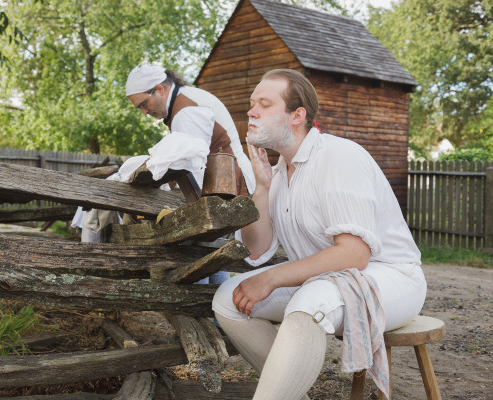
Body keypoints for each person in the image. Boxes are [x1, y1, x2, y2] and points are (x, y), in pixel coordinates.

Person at [212, 69, 427, 400]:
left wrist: (271, 279)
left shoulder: (339, 156)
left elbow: (354, 254)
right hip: (322, 280)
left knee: (308, 300)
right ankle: (292, 391)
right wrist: (263, 187)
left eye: (264, 104)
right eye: (251, 103)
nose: (251, 111)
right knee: (229, 298)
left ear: (297, 116)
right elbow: (256, 251)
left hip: (390, 278)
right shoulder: (280, 174)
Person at [126, 62, 257, 284]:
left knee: (196, 250)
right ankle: (214, 309)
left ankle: (209, 311)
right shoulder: (185, 101)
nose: (145, 111)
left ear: (159, 89)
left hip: (228, 188)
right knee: (209, 251)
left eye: (143, 104)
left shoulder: (186, 111)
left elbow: (192, 165)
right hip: (225, 187)